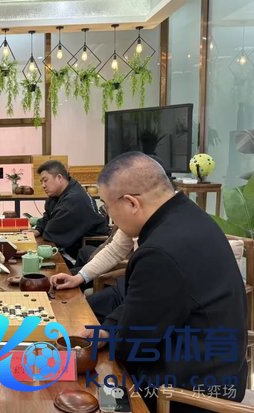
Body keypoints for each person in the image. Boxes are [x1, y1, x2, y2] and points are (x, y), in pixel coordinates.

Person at [80, 152, 247, 411]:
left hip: (186, 392)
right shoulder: (189, 216)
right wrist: (108, 330)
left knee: (84, 383)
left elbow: (130, 346)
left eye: (106, 207)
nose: (108, 215)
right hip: (220, 369)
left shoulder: (160, 251)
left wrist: (109, 337)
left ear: (131, 203)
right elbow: (145, 303)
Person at [33, 160, 109, 262]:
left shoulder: (74, 199)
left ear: (59, 178)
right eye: (41, 182)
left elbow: (51, 233)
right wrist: (38, 230)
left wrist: (43, 229)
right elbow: (47, 217)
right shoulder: (57, 195)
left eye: (45, 180)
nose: (43, 185)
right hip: (74, 246)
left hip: (89, 253)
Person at [50, 228, 133, 290]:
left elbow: (50, 231)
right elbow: (113, 251)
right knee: (83, 251)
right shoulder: (129, 225)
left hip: (128, 284)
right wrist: (79, 277)